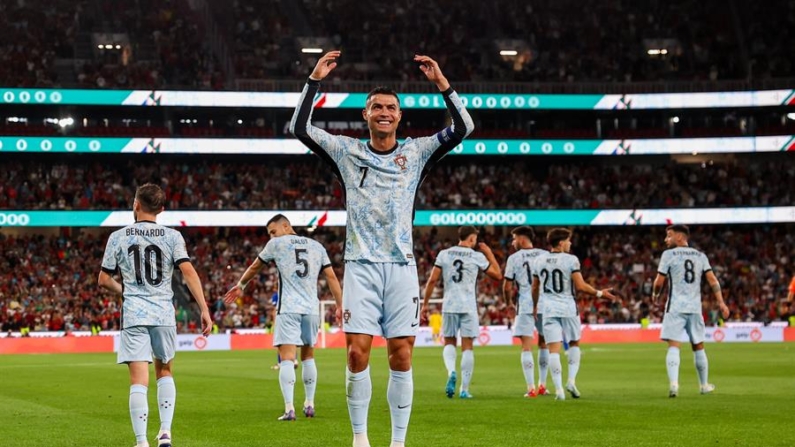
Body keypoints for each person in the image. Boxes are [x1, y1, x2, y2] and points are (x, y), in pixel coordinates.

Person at [290, 50, 474, 447]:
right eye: (376, 107)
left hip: (402, 268)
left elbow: (464, 127)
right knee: (357, 355)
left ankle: (398, 442)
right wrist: (314, 82)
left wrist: (442, 83)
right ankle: (360, 439)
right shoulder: (346, 151)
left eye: (391, 107)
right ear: (366, 115)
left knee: (401, 357)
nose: (384, 112)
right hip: (360, 266)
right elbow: (300, 128)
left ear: (400, 116)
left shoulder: (417, 151)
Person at [98, 183, 212, 447]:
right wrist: (203, 309)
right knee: (165, 371)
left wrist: (124, 290)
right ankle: (165, 433)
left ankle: (140, 441)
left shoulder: (118, 236)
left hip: (134, 314)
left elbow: (103, 280)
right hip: (163, 312)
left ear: (136, 204)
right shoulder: (173, 236)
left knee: (138, 379)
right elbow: (189, 272)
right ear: (161, 209)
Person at [224, 214, 342, 420]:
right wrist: (340, 304)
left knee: (287, 358)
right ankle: (309, 404)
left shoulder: (276, 245)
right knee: (308, 356)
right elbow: (331, 276)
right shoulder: (317, 246)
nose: (271, 236)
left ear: (286, 226)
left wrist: (241, 285)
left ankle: (289, 409)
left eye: (273, 231)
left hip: (289, 308)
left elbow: (255, 267)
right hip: (312, 309)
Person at [532, 228, 618, 401]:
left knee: (553, 350)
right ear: (561, 242)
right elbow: (580, 286)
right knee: (574, 343)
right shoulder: (571, 260)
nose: (570, 244)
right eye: (569, 241)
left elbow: (535, 287)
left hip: (548, 308)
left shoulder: (539, 260)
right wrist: (600, 293)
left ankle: (558, 391)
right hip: (568, 307)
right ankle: (571, 380)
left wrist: (535, 306)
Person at [421, 226, 502, 399]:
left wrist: (425, 304)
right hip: (468, 306)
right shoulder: (477, 256)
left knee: (449, 342)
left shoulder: (444, 254)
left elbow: (433, 279)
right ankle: (464, 390)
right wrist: (489, 253)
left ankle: (451, 371)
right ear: (472, 239)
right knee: (467, 347)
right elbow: (497, 275)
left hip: (450, 304)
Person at [652, 224, 730, 397]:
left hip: (675, 307)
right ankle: (703, 385)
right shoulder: (700, 256)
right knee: (698, 346)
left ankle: (674, 385)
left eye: (669, 235)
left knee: (674, 345)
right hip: (695, 307)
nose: (666, 239)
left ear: (680, 237)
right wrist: (721, 303)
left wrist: (655, 295)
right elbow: (713, 280)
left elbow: (658, 282)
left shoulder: (668, 254)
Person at [502, 226, 549, 398]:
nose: (513, 242)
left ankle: (531, 388)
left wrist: (508, 303)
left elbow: (507, 286)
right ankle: (543, 385)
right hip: (546, 305)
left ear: (522, 239)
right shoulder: (546, 255)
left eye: (514, 239)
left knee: (526, 347)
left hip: (526, 305)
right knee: (544, 343)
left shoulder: (514, 258)